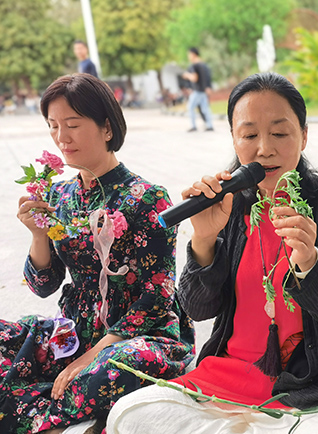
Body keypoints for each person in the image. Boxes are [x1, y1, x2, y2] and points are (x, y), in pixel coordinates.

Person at [106, 72, 318, 434]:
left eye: (279, 133)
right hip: (227, 379)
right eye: (249, 135)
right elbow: (198, 310)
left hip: (315, 385)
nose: (264, 148)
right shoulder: (226, 204)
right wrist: (204, 240)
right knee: (129, 413)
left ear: (304, 135)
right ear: (233, 138)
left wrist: (310, 263)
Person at [2, 74, 194, 434]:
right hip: (76, 331)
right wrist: (38, 234)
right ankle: (69, 406)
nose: (62, 137)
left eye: (72, 124)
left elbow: (158, 295)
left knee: (118, 366)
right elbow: (44, 286)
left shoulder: (146, 197)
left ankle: (44, 409)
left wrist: (96, 352)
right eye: (53, 126)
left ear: (107, 127)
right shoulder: (58, 196)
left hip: (140, 334)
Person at [181, 47, 213, 132]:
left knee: (190, 107)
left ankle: (193, 126)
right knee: (205, 108)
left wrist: (187, 75)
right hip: (204, 90)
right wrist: (208, 87)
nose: (188, 56)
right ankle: (209, 125)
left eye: (189, 54)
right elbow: (208, 77)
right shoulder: (204, 65)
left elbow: (195, 78)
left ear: (193, 54)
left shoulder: (194, 65)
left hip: (198, 90)